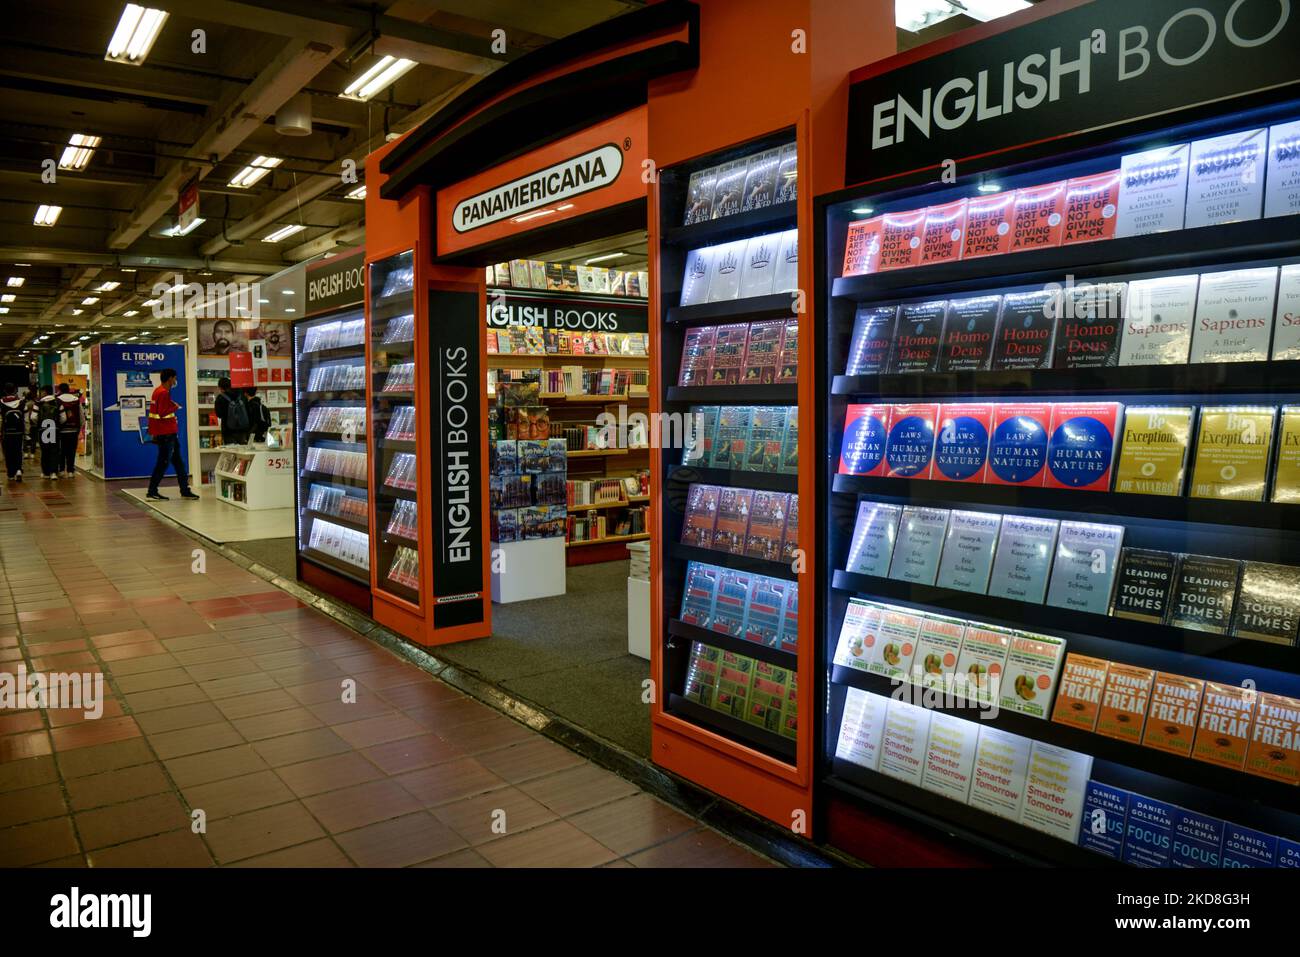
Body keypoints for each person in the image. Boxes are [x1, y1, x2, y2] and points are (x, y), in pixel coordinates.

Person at [146, 368, 199, 501]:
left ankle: (185, 490)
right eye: (175, 378)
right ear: (170, 378)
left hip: (167, 433)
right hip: (166, 434)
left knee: (178, 463)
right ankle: (152, 491)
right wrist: (174, 406)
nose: (175, 381)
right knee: (163, 463)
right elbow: (163, 412)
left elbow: (158, 411)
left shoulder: (158, 391)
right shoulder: (163, 393)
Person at [33, 387, 61, 479]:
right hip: (54, 428)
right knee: (54, 450)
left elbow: (33, 417)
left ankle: (46, 473)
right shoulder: (57, 402)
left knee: (45, 450)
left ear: (44, 392)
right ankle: (53, 472)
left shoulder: (38, 403)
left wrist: (38, 425)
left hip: (43, 429)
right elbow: (63, 417)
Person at [55, 383, 81, 479]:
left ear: (60, 390)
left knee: (62, 450)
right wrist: (79, 426)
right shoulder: (76, 399)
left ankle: (61, 470)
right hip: (74, 429)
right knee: (72, 451)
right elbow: (81, 414)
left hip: (62, 430)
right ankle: (70, 471)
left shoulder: (57, 400)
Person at [213, 377, 250, 445]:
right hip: (242, 429)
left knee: (230, 452)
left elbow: (219, 414)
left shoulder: (220, 398)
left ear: (220, 387)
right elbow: (248, 410)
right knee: (242, 452)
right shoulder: (241, 395)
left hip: (228, 430)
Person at [1, 384, 24, 481]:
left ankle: (10, 473)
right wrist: (26, 433)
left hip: (7, 432)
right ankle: (18, 469)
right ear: (15, 390)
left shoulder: (1, 402)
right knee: (18, 451)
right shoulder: (21, 402)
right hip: (19, 431)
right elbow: (26, 418)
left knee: (8, 452)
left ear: (5, 391)